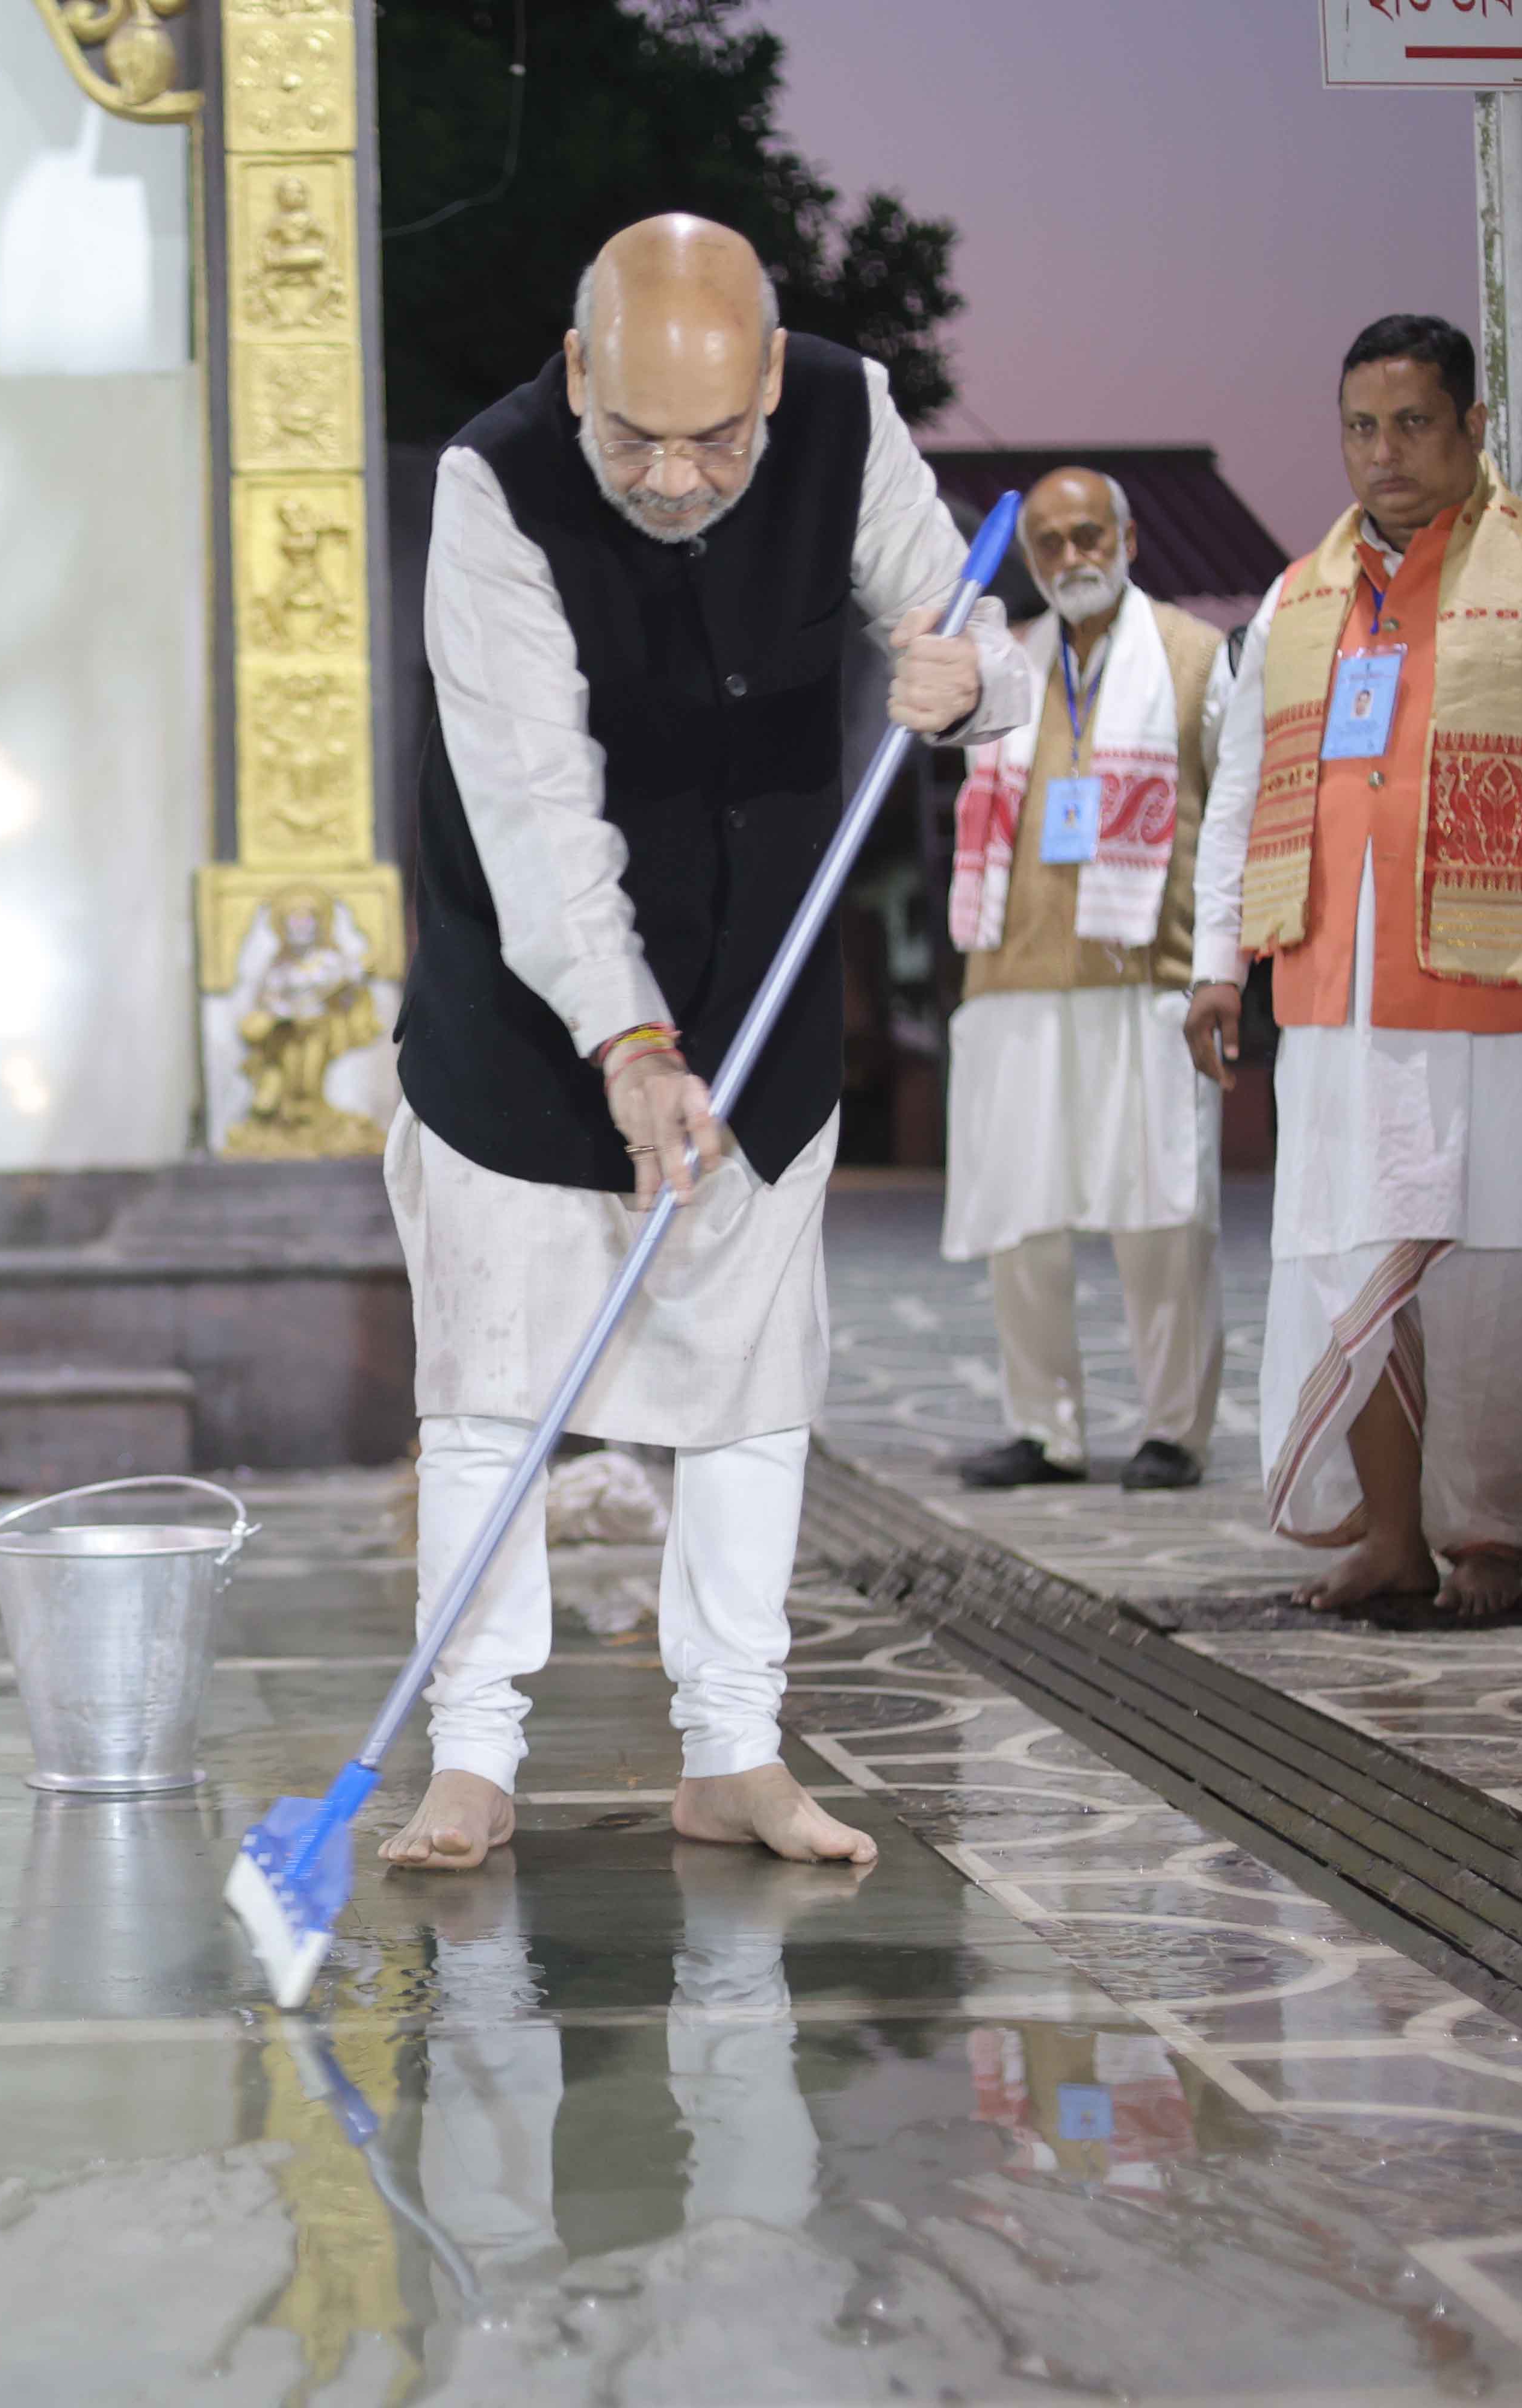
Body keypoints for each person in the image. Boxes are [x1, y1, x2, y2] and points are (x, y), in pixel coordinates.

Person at [386, 213, 1033, 1869]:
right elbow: (536, 809)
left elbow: (970, 630)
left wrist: (975, 682)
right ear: (579, 365)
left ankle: (733, 1751)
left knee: (750, 1391)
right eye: (637, 440)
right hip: (530, 1015)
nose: (677, 481)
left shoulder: (842, 412)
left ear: (766, 380)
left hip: (758, 978)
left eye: (718, 441)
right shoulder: (495, 481)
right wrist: (625, 1040)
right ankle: (472, 1755)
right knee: (493, 1391)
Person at [1188, 315, 1522, 1616]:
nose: (1385, 452)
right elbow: (1239, 796)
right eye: (1363, 426)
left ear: (1475, 428)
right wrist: (1211, 969)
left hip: (1498, 993)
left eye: (1415, 423)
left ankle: (1491, 1537)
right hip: (1330, 1001)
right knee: (1339, 1260)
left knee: (1496, 1266)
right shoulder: (1300, 602)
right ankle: (1392, 1535)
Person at [943, 468, 1233, 1494]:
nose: (1071, 557)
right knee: (1022, 1217)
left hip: (1146, 970)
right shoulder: (1007, 667)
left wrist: (1222, 968)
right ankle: (1044, 1429)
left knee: (1161, 1214)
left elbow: (1233, 826)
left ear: (1130, 538)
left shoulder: (1196, 658)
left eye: (1087, 536)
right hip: (1013, 975)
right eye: (1051, 544)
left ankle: (1173, 1431)